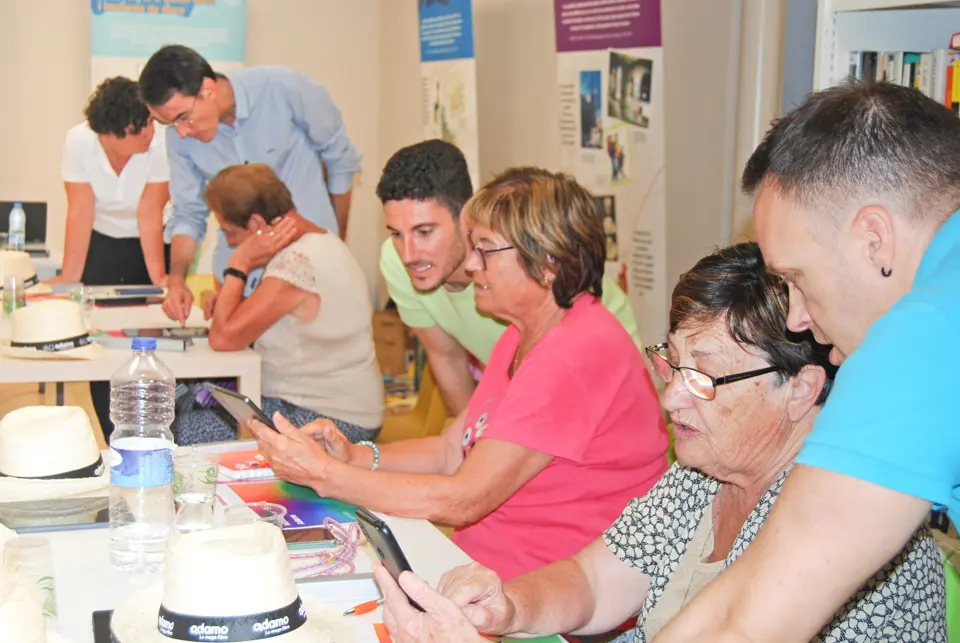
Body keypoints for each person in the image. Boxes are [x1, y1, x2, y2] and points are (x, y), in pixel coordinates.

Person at [371, 242, 947, 643]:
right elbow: (597, 581)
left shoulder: (853, 534)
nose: (671, 399)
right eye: (672, 364)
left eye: (704, 377)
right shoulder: (705, 471)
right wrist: (508, 605)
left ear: (801, 390)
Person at [648, 82, 960, 642]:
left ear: (875, 240)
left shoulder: (923, 336)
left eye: (794, 279)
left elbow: (745, 625)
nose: (795, 319)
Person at [249, 167, 668, 581]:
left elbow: (465, 498)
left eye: (484, 249)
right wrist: (356, 456)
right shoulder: (523, 333)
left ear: (547, 263)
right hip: (489, 574)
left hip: (540, 597)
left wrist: (323, 475)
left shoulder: (572, 354)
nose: (469, 265)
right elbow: (454, 450)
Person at [377, 140, 643, 416]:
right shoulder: (396, 261)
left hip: (599, 385)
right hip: (527, 393)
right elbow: (446, 357)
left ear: (465, 214)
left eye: (425, 232)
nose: (408, 255)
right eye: (396, 233)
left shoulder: (513, 261)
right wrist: (468, 445)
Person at [138, 45, 361, 325]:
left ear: (207, 89)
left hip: (310, 268)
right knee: (243, 362)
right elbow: (188, 213)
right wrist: (178, 281)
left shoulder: (283, 89)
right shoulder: (179, 139)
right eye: (168, 123)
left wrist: (334, 241)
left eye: (183, 117)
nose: (181, 131)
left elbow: (340, 160)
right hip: (241, 279)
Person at [173, 164, 382, 445]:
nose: (232, 243)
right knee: (179, 395)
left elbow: (222, 338)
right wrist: (231, 301)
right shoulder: (320, 241)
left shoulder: (296, 263)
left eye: (230, 233)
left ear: (257, 225)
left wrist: (239, 265)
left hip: (328, 418)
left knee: (176, 428)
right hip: (329, 407)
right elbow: (273, 321)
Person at [54, 76, 171, 441]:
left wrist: (159, 286)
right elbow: (81, 212)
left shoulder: (161, 141)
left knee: (147, 334)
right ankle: (112, 433)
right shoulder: (80, 141)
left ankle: (149, 428)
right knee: (98, 340)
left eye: (152, 122)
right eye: (140, 129)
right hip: (101, 239)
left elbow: (150, 213)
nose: (150, 132)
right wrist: (69, 281)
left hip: (151, 240)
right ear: (113, 133)